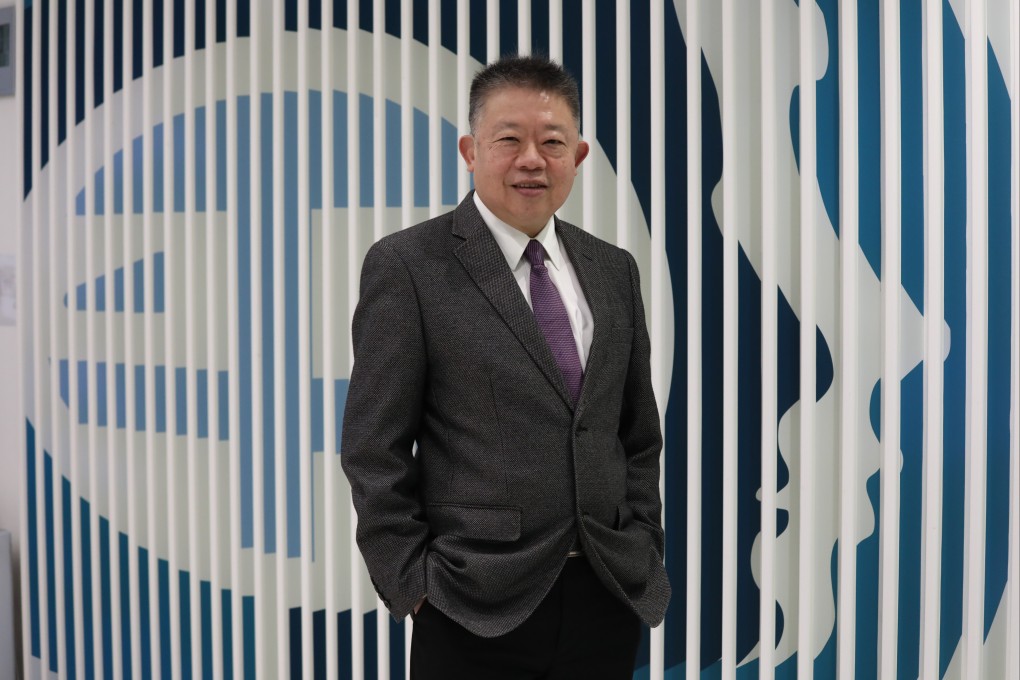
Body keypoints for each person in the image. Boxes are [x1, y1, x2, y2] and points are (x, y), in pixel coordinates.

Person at [340, 54, 670, 679]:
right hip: (471, 606)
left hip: (607, 592)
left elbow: (636, 433)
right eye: (508, 139)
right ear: (470, 150)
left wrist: (643, 545)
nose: (531, 159)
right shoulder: (409, 265)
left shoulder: (614, 269)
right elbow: (372, 446)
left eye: (552, 142)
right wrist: (414, 587)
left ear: (577, 156)